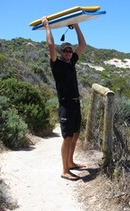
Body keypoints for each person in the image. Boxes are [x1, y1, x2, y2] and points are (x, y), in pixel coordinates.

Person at [42, 17, 87, 181]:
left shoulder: (72, 62)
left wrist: (76, 27)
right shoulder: (56, 64)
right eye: (65, 51)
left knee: (75, 135)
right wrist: (47, 26)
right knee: (67, 137)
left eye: (69, 50)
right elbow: (50, 45)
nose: (68, 53)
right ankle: (64, 170)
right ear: (61, 53)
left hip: (76, 103)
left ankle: (71, 162)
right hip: (66, 105)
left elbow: (82, 45)